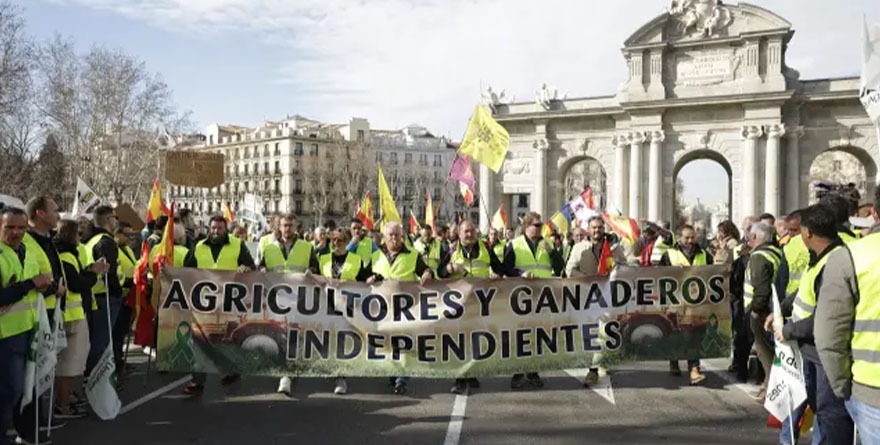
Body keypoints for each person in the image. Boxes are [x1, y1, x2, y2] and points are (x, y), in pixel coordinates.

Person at [767, 204, 853, 445]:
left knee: (828, 414)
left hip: (824, 351)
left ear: (808, 233)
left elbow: (825, 316)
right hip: (809, 347)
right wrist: (781, 310)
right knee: (816, 407)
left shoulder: (834, 262)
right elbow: (804, 290)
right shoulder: (820, 257)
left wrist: (787, 330)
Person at [815, 188, 880, 443]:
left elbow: (829, 335)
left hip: (871, 389)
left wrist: (841, 387)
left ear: (874, 214)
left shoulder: (851, 256)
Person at [182, 215, 256, 396]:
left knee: (227, 338)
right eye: (213, 228)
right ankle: (197, 381)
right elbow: (186, 268)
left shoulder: (238, 245)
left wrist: (245, 269)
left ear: (225, 230)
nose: (216, 231)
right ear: (209, 229)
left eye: (220, 228)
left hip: (229, 301)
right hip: (204, 302)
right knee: (199, 341)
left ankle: (231, 369)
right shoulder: (199, 247)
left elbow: (250, 266)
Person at [0, 207, 53, 444]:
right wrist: (30, 284)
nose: (16, 232)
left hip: (27, 330)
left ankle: (17, 432)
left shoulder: (26, 252)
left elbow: (35, 284)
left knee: (21, 389)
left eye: (21, 228)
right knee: (10, 389)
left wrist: (40, 286)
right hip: (5, 334)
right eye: (10, 227)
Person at [366, 221, 434, 395]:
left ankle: (402, 379)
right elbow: (365, 276)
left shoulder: (412, 255)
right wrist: (369, 279)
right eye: (390, 235)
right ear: (385, 237)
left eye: (397, 234)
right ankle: (393, 374)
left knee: (403, 343)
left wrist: (427, 274)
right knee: (387, 344)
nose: (394, 238)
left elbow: (426, 270)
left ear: (402, 235)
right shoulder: (376, 255)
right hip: (382, 310)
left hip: (405, 309)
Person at [440, 221, 504, 394]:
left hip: (479, 303)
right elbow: (439, 271)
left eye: (472, 231)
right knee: (459, 340)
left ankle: (473, 373)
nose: (469, 234)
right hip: (458, 304)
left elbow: (500, 268)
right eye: (466, 231)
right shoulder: (452, 250)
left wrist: (497, 275)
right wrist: (448, 268)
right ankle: (460, 378)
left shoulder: (486, 249)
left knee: (476, 339)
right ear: (459, 233)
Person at [53, 219, 107, 419]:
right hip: (71, 316)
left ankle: (65, 397)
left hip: (71, 313)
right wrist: (93, 274)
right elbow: (75, 284)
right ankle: (63, 404)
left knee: (70, 363)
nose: (80, 238)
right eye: (78, 234)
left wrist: (90, 271)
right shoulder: (66, 255)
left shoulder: (65, 253)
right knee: (69, 364)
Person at [260, 213, 320, 396]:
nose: (287, 229)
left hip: (299, 300)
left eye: (290, 225)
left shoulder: (306, 247)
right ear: (279, 227)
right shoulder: (269, 249)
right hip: (277, 301)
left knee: (292, 337)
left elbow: (317, 270)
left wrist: (312, 271)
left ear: (296, 227)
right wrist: (261, 270)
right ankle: (286, 374)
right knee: (281, 337)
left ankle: (288, 374)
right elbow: (261, 270)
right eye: (284, 225)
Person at [506, 212, 565, 389]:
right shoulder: (515, 244)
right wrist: (520, 274)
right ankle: (517, 373)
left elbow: (560, 267)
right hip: (521, 297)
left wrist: (553, 253)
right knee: (520, 335)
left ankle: (533, 372)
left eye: (541, 225)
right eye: (536, 225)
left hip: (542, 297)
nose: (540, 228)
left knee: (537, 336)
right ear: (526, 226)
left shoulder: (547, 244)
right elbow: (507, 269)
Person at [318, 228, 370, 395]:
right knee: (327, 341)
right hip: (326, 306)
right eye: (333, 240)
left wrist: (372, 278)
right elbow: (316, 278)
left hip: (347, 307)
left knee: (342, 341)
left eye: (340, 240)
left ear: (347, 241)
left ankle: (341, 377)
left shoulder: (356, 259)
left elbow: (364, 278)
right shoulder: (323, 258)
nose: (336, 243)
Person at [660, 224, 712, 385]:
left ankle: (694, 369)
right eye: (686, 237)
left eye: (692, 237)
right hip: (675, 301)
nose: (690, 241)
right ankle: (674, 359)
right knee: (676, 333)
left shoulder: (704, 254)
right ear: (679, 238)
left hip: (697, 302)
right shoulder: (669, 255)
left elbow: (713, 275)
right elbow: (660, 278)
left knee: (694, 334)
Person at [743, 222, 784, 402]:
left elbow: (761, 288)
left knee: (764, 352)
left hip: (762, 312)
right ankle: (770, 386)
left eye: (750, 235)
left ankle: (770, 389)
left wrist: (756, 310)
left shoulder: (759, 257)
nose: (748, 238)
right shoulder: (776, 252)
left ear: (755, 237)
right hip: (774, 309)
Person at [85, 205, 123, 373]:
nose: (116, 221)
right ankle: (95, 380)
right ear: (109, 219)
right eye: (115, 217)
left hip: (96, 295)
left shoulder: (92, 239)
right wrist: (117, 291)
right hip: (105, 296)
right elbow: (110, 271)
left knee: (98, 340)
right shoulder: (105, 242)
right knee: (101, 342)